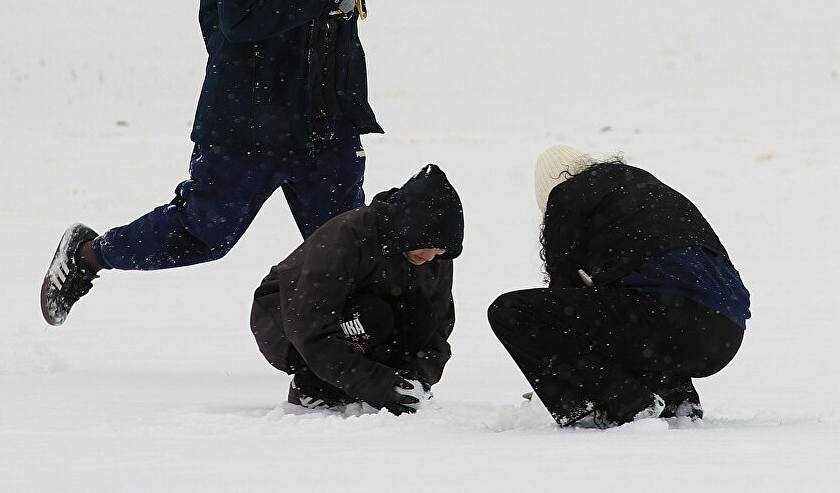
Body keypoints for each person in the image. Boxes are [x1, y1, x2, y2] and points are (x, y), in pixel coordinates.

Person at [41, 0, 382, 326]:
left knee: (346, 252)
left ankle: (343, 355)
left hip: (325, 122)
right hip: (255, 125)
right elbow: (233, 17)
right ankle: (87, 255)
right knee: (202, 235)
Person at [488, 145, 751, 428]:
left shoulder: (568, 195)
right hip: (725, 331)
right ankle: (678, 402)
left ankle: (627, 403)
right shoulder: (642, 188)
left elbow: (566, 295)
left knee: (512, 312)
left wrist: (564, 380)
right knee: (632, 303)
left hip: (670, 318)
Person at [250, 164, 463, 414]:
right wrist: (376, 385)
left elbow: (439, 325)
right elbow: (310, 324)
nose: (429, 256)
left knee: (419, 316)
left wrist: (417, 379)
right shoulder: (348, 235)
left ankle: (382, 382)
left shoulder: (433, 257)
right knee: (371, 315)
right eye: (425, 246)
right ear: (407, 230)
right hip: (288, 325)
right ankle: (313, 386)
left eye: (440, 250)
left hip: (356, 320)